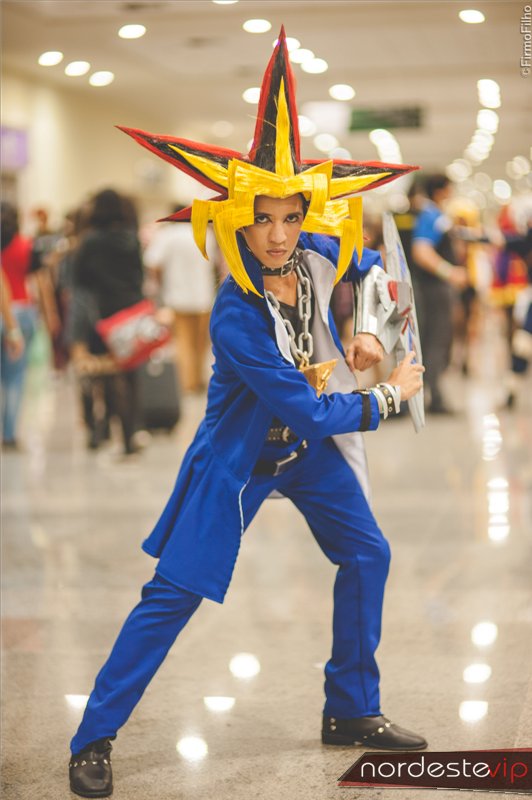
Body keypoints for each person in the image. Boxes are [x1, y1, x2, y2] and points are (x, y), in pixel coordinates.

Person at [68, 30, 426, 798]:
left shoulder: (316, 251)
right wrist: (392, 393)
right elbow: (310, 409)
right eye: (264, 219)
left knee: (368, 554)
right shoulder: (235, 315)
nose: (278, 234)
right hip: (240, 461)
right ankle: (92, 736)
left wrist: (368, 325)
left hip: (307, 459)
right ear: (238, 220)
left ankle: (351, 709)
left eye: (290, 218)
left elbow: (376, 272)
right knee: (173, 594)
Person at [69, 189, 144, 455]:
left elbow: (78, 280)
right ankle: (128, 437)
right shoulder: (132, 239)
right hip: (131, 314)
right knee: (129, 375)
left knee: (99, 373)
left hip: (100, 314)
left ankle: (97, 430)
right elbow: (139, 278)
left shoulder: (90, 241)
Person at [411, 174, 468, 413]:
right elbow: (421, 250)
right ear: (440, 191)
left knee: (436, 339)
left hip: (433, 289)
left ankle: (432, 394)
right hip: (433, 289)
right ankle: (433, 396)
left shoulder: (434, 215)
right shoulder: (431, 215)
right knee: (436, 339)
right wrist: (449, 272)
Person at [144, 206, 216, 392]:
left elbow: (153, 263)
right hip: (204, 296)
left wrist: (160, 284)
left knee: (183, 342)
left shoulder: (167, 235)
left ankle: (187, 383)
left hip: (177, 297)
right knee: (201, 343)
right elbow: (214, 264)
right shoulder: (205, 234)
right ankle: (198, 379)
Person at [0, 202, 44, 448]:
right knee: (15, 377)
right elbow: (38, 281)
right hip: (22, 309)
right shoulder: (26, 246)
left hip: (6, 308)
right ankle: (9, 434)